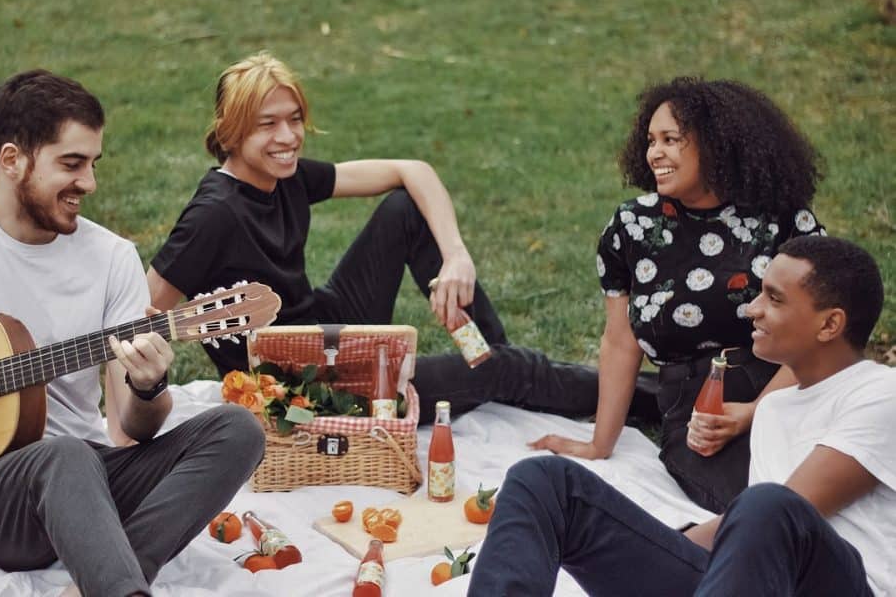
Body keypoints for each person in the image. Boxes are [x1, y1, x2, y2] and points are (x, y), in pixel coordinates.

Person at [0, 70, 265, 597]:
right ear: (12, 160)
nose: (90, 183)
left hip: (89, 483)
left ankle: (111, 578)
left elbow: (134, 428)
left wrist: (149, 387)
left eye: (94, 164)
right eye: (72, 164)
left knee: (238, 429)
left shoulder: (111, 258)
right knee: (65, 454)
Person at [147, 51, 656, 424]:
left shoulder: (284, 176)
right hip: (306, 389)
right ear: (231, 132)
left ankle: (489, 359)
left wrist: (456, 258)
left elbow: (412, 171)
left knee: (405, 209)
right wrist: (135, 418)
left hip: (325, 326)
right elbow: (140, 313)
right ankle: (651, 398)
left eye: (295, 119)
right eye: (267, 124)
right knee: (505, 370)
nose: (288, 137)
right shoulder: (214, 214)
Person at [469, 235, 894, 597]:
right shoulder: (774, 408)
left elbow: (788, 513)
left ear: (830, 325)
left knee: (767, 505)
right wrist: (655, 547)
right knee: (545, 480)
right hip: (750, 580)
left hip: (838, 585)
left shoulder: (881, 394)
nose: (752, 309)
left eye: (774, 299)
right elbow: (747, 537)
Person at [531, 78, 825, 512]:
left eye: (671, 139)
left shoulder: (782, 219)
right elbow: (620, 341)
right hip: (696, 402)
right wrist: (599, 444)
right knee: (754, 507)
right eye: (651, 141)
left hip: (789, 384)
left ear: (715, 144)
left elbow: (819, 331)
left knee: (838, 487)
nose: (655, 153)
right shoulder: (633, 226)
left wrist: (754, 410)